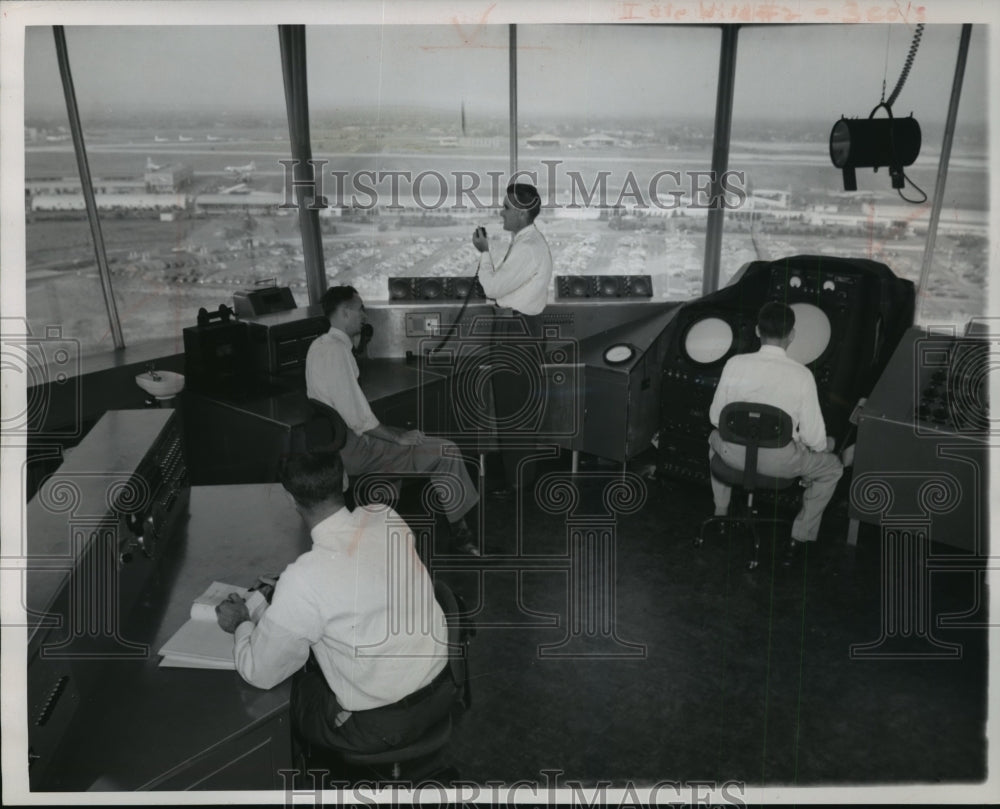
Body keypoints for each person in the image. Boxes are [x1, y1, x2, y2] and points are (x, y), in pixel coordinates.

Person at [215, 451, 458, 754]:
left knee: (293, 684)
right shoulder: (385, 516)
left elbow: (260, 673)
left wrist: (242, 624)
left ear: (290, 499)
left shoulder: (303, 578)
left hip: (382, 726)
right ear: (343, 480)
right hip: (442, 693)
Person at [305, 285, 480, 556]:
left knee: (405, 442)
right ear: (345, 312)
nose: (364, 315)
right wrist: (397, 436)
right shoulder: (337, 353)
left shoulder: (319, 346)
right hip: (354, 447)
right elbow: (360, 419)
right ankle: (462, 536)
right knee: (446, 451)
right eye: (360, 308)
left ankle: (381, 535)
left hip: (335, 445)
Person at [708, 301, 843, 566]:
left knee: (712, 440)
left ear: (758, 331)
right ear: (791, 335)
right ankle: (799, 536)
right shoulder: (803, 375)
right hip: (780, 464)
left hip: (734, 456)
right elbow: (815, 439)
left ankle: (721, 512)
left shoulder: (735, 364)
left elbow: (716, 418)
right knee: (833, 468)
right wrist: (816, 447)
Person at [471, 182, 554, 497]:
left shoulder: (526, 248)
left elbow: (492, 288)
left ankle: (518, 485)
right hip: (521, 331)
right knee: (516, 410)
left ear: (520, 212)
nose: (501, 212)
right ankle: (520, 479)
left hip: (514, 335)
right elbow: (506, 289)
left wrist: (483, 253)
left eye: (505, 207)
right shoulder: (527, 242)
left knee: (512, 412)